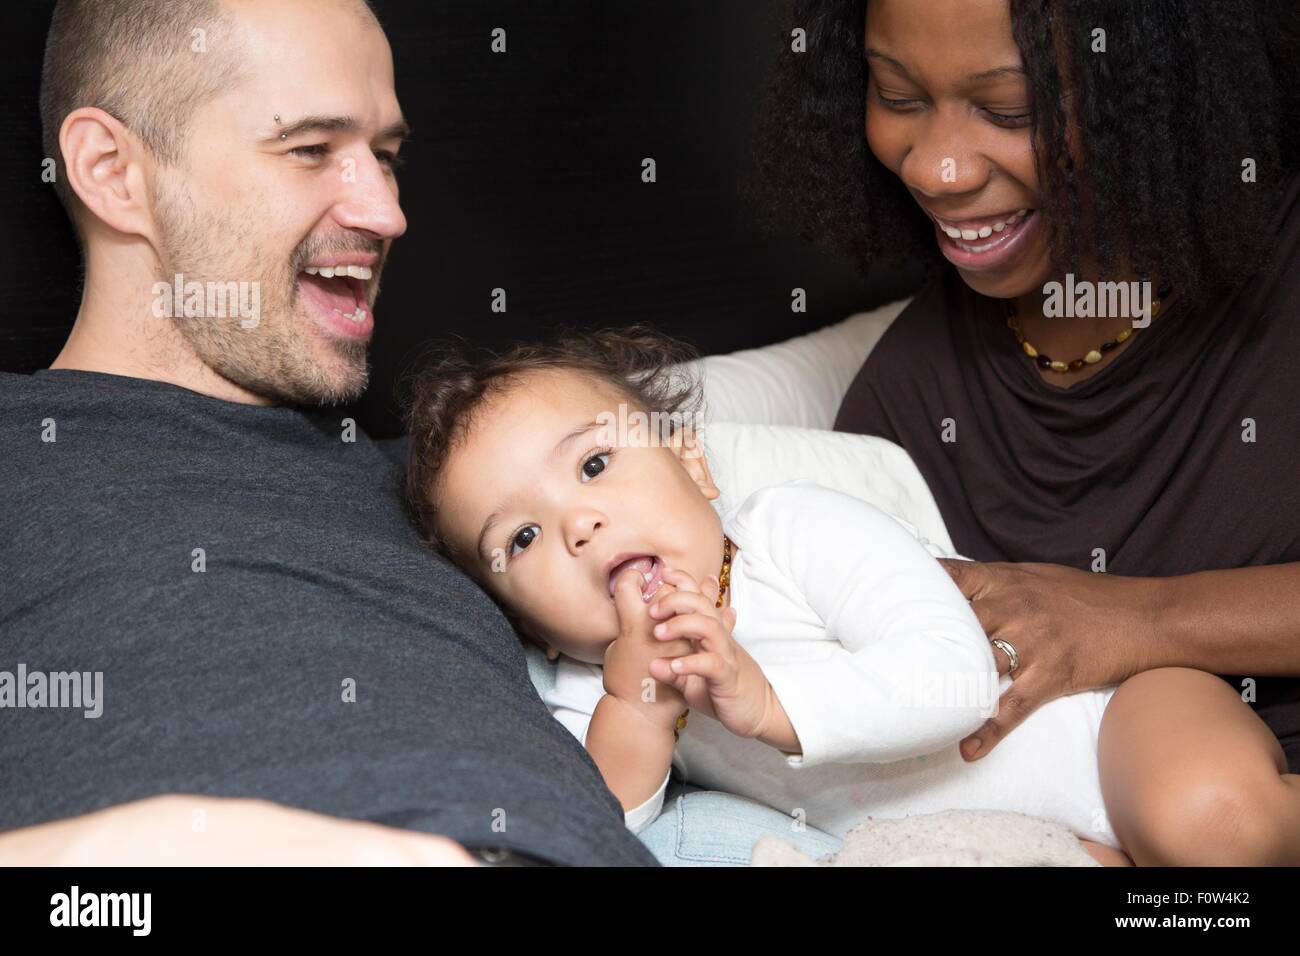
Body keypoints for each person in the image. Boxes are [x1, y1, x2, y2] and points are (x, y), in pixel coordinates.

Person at [0, 0, 655, 867]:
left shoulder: (462, 488)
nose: (386, 214)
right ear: (114, 171)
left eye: (385, 157)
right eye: (311, 149)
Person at [399, 326, 1300, 865]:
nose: (580, 526)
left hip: (1111, 725)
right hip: (1025, 837)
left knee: (1211, 826)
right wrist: (641, 707)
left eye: (595, 465)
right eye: (521, 538)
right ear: (530, 628)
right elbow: (604, 829)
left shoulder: (791, 532)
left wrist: (763, 699)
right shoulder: (589, 688)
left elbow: (956, 679)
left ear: (692, 464)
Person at [744, 0, 1300, 857]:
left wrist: (1140, 620)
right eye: (897, 95)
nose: (937, 168)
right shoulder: (909, 401)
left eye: (1009, 111)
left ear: (1163, 95)